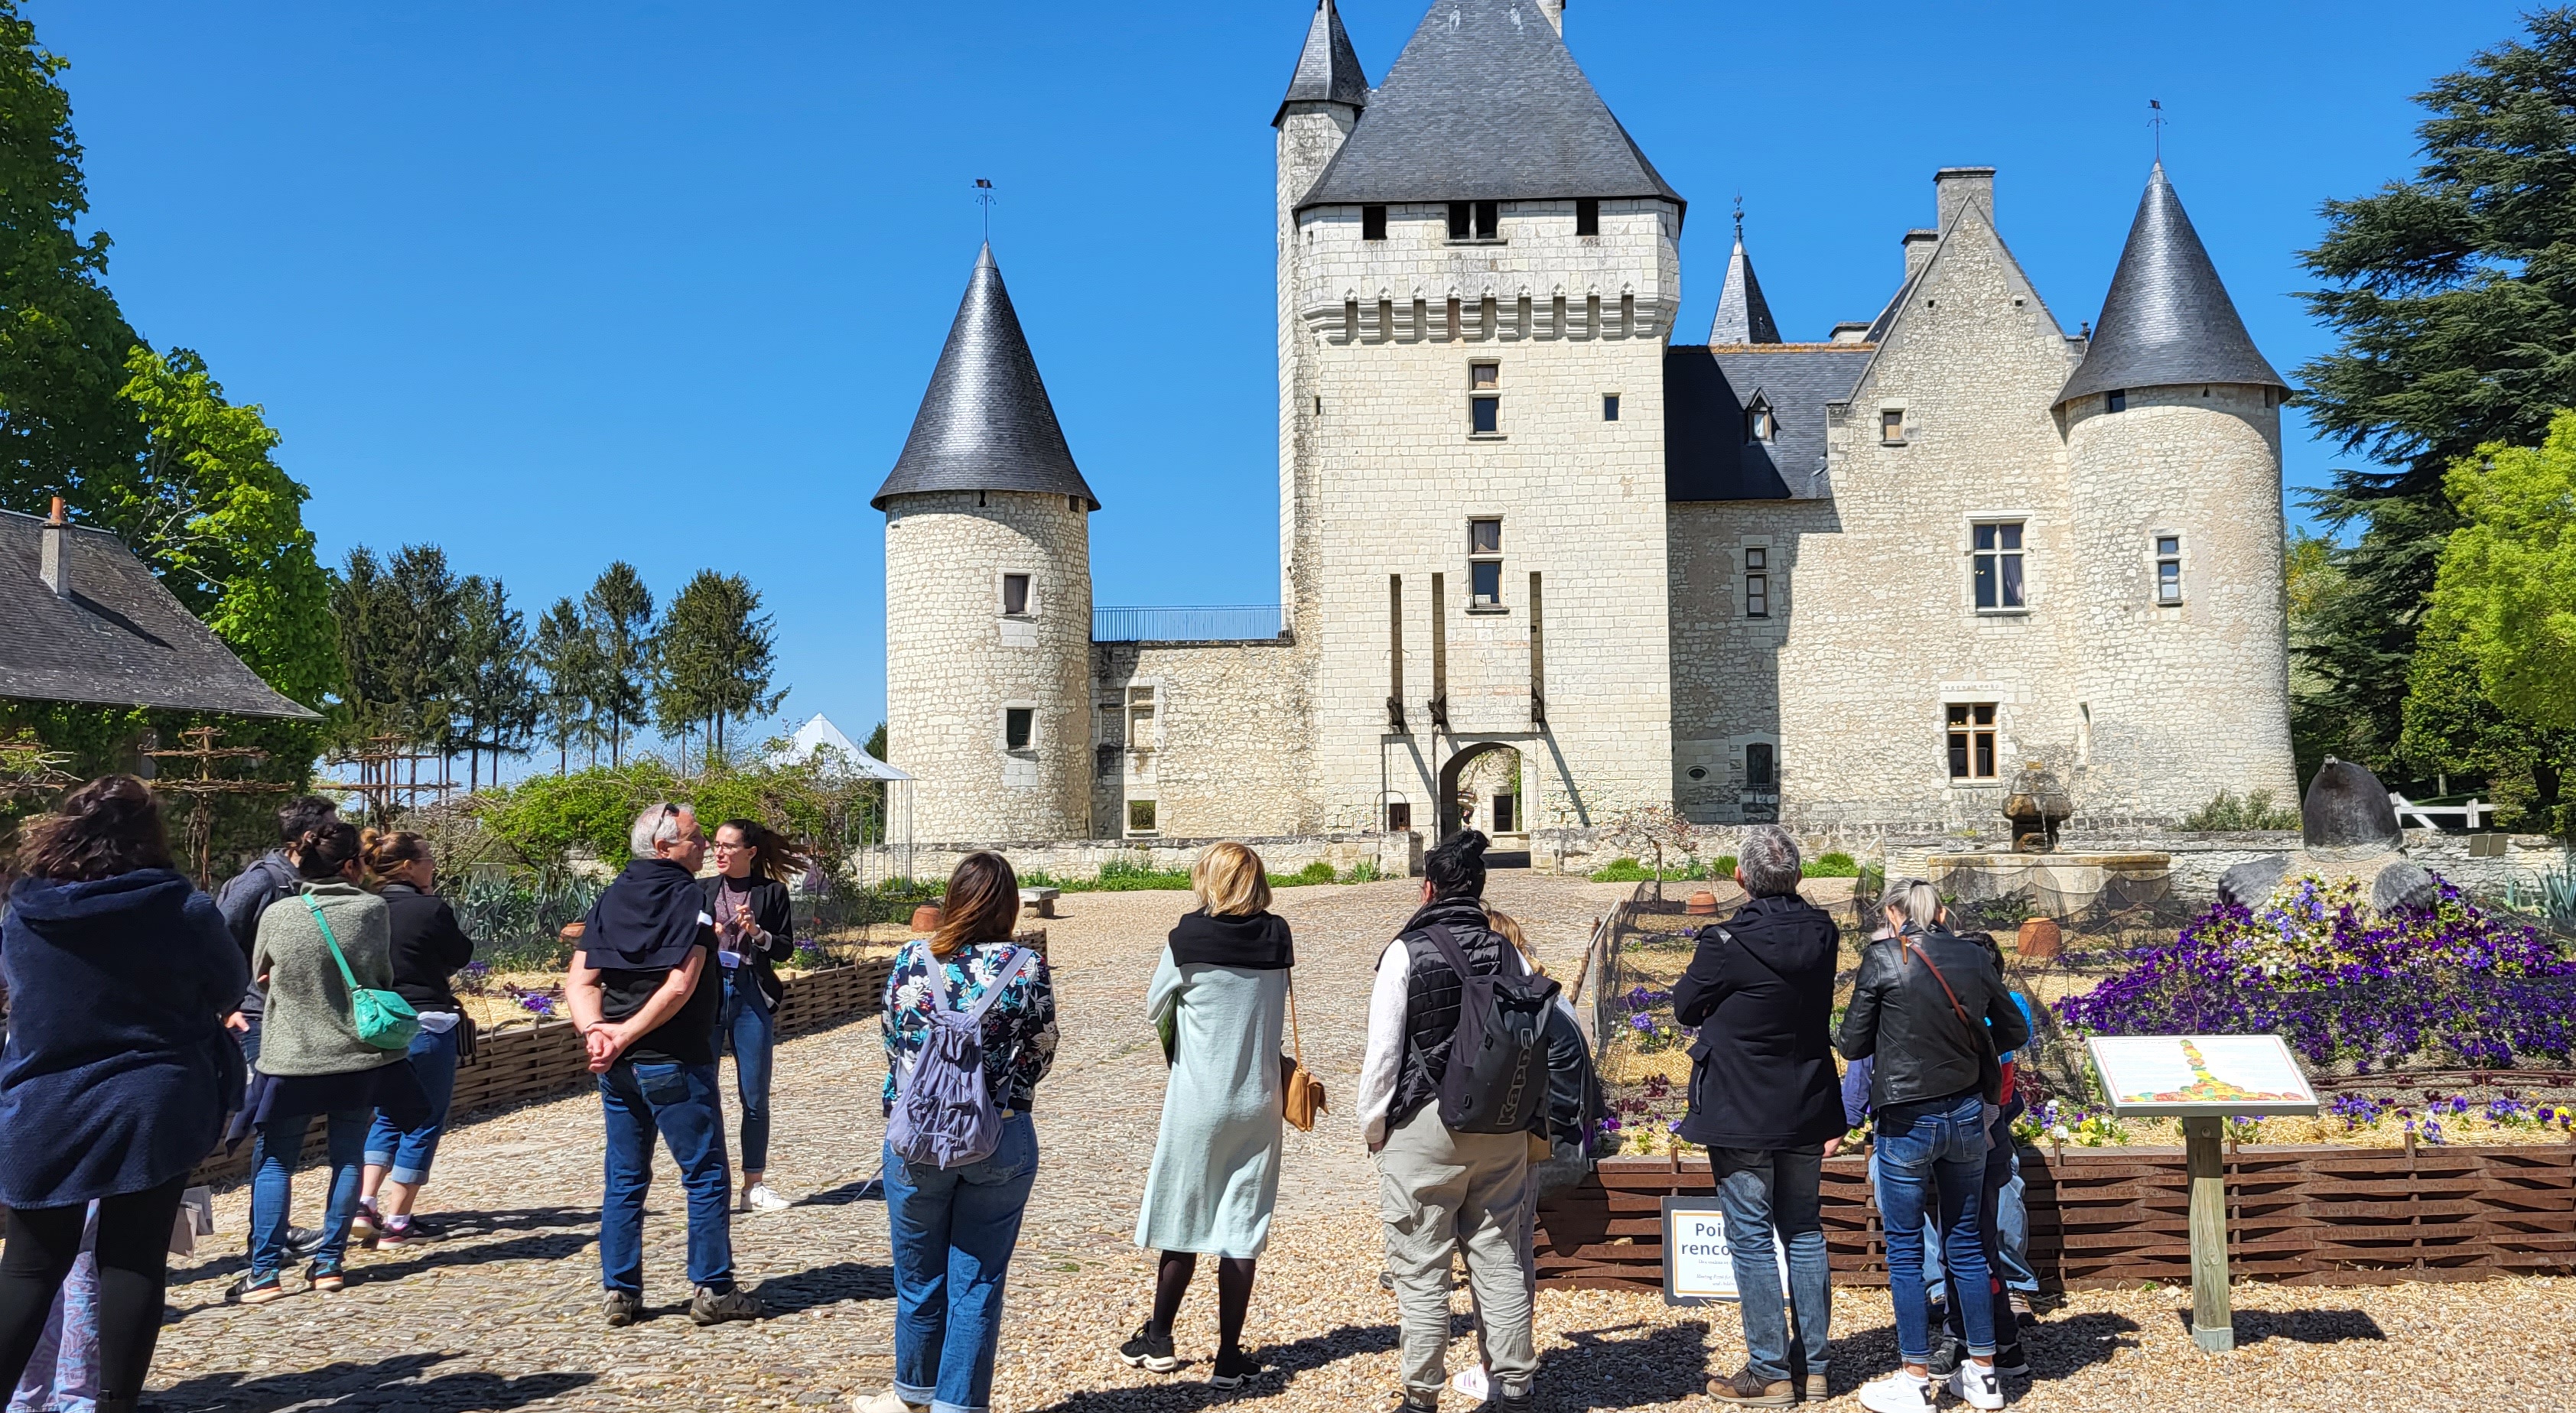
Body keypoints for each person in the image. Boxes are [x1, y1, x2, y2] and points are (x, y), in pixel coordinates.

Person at [0, 777, 246, 1409]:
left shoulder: (25, 909)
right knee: (132, 1258)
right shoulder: (180, 907)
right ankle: (113, 1404)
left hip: (44, 1101)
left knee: (29, 1267)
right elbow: (228, 987)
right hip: (153, 1096)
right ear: (151, 834)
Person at [858, 852, 1058, 1413]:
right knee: (978, 1283)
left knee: (918, 1281)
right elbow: (1042, 1052)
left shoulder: (912, 960)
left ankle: (913, 1395)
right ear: (1009, 905)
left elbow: (893, 1042)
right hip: (999, 1133)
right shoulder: (1026, 966)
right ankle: (958, 1406)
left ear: (952, 899)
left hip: (917, 1139)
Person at [1355, 830, 1540, 1413]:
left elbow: (1384, 1053)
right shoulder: (1507, 949)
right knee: (1498, 1256)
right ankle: (1512, 1385)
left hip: (1426, 1121)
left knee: (1421, 1268)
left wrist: (1374, 1128)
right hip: (1498, 1121)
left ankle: (1422, 1394)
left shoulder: (1407, 951)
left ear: (1428, 887)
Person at [566, 804, 763, 1327]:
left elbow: (580, 982)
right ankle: (714, 1288)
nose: (705, 848)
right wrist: (624, 1032)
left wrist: (598, 1035)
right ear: (664, 848)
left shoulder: (611, 898)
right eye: (696, 839)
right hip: (674, 1059)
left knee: (625, 1178)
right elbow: (681, 984)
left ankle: (621, 1292)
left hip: (619, 1067)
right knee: (704, 1174)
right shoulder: (690, 904)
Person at [1672, 825, 1846, 1407]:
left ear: (1741, 879)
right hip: (1806, 1097)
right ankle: (1814, 1367)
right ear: (1797, 877)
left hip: (1742, 1103)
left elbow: (1686, 1005)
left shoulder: (1726, 941)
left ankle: (1771, 1370)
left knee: (1750, 1237)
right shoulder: (1824, 932)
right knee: (1802, 1228)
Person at [1837, 880, 2028, 1413]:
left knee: (1903, 1249)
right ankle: (1984, 1374)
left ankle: (1916, 1379)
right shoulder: (1970, 955)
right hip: (1967, 1114)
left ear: (1895, 915)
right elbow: (2011, 1029)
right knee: (1965, 1245)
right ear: (1942, 912)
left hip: (1906, 1117)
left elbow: (1852, 1041)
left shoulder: (1882, 958)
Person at [1120, 842, 1291, 1388]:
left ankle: (1160, 1338)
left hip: (1198, 1098)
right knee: (1241, 1226)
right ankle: (1228, 1356)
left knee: (1183, 1215)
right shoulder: (1277, 935)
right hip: (1258, 1097)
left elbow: (1155, 1007)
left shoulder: (1187, 939)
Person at [236, 820, 428, 1304]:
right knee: (346, 1156)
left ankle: (263, 1274)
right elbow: (380, 974)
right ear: (349, 865)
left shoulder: (280, 913)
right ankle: (329, 1265)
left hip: (290, 1055)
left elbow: (261, 975)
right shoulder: (371, 910)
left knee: (277, 1160)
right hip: (357, 1055)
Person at [353, 830, 475, 1248]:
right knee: (423, 1119)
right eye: (427, 858)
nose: (432, 865)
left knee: (386, 1115)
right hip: (426, 1022)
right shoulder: (429, 908)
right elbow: (460, 954)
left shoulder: (364, 908)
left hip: (378, 1025)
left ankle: (364, 1205)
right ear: (408, 865)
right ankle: (399, 1221)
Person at [702, 820, 802, 1215]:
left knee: (755, 1095)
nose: (720, 852)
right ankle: (710, 1186)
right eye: (716, 845)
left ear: (750, 853)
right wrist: (707, 931)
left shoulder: (772, 892)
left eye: (728, 846)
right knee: (703, 1094)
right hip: (707, 995)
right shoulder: (701, 891)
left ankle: (753, 1186)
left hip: (750, 993)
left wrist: (757, 933)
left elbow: (784, 950)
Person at [212, 796, 340, 1067]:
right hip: (259, 1024)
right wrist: (229, 1009)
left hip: (306, 1023)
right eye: (332, 828)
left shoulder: (320, 884)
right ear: (309, 837)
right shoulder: (263, 881)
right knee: (262, 1109)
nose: (338, 834)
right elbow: (216, 941)